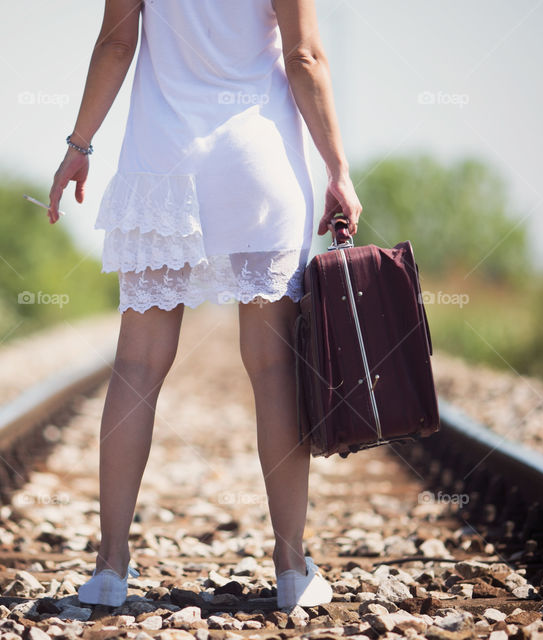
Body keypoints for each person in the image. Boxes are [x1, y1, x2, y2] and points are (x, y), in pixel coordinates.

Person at [47, 0, 362, 609]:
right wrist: (338, 168)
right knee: (272, 368)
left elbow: (116, 44)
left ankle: (110, 569)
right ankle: (292, 568)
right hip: (256, 166)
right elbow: (304, 57)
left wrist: (79, 145)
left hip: (161, 168)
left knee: (137, 368)